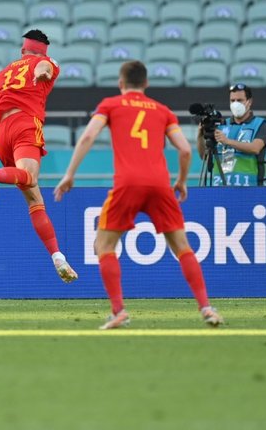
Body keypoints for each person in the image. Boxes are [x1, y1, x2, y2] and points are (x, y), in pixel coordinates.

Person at [54, 60, 224, 329]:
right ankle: (206, 307)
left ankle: (119, 310)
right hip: (160, 184)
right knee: (182, 247)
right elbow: (185, 150)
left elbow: (87, 137)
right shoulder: (163, 111)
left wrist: (69, 174)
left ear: (121, 83)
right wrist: (180, 181)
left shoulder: (110, 105)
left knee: (104, 246)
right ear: (146, 84)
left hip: (128, 183)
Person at [0, 30, 78, 283]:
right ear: (44, 50)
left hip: (2, 133)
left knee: (33, 197)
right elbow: (43, 68)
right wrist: (43, 73)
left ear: (22, 49)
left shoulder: (1, 74)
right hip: (25, 122)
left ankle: (57, 257)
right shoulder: (45, 62)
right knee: (29, 176)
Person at [196, 83, 266, 187]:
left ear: (249, 102)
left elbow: (255, 148)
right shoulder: (222, 125)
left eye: (240, 100)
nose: (235, 104)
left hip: (253, 187)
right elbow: (204, 156)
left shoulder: (260, 124)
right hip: (222, 187)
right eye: (232, 101)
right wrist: (200, 135)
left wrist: (228, 141)